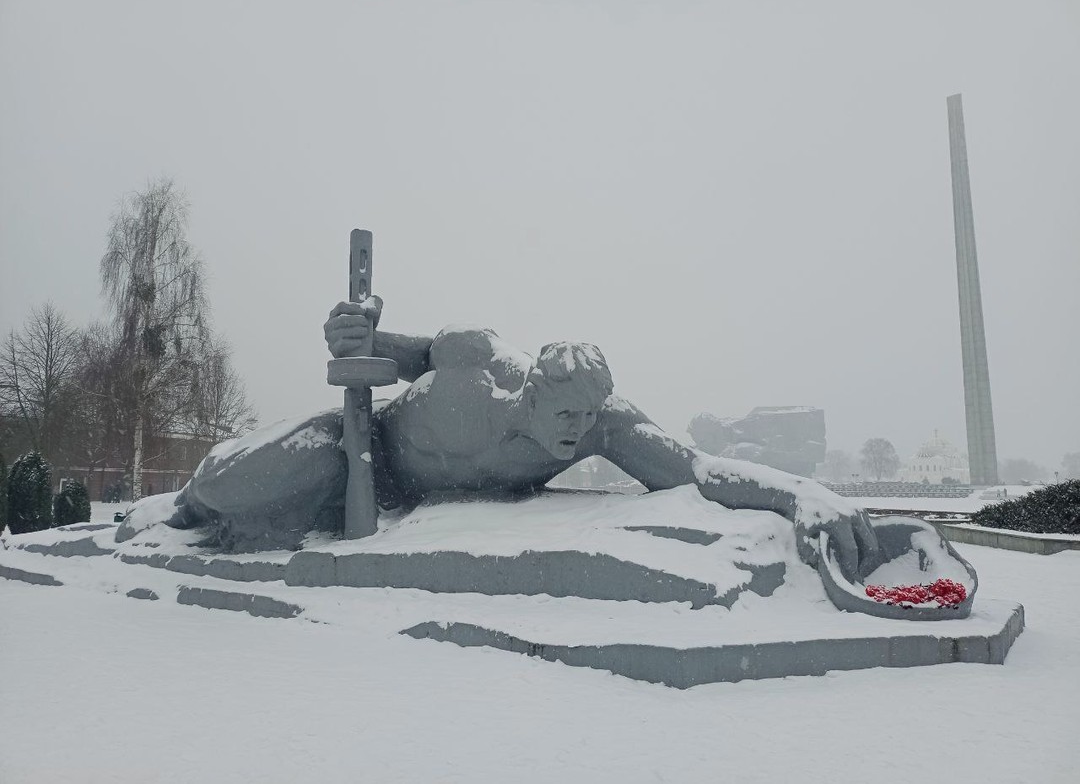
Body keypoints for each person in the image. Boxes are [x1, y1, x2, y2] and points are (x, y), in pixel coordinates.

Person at [125, 297, 882, 579]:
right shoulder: (473, 360)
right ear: (529, 391)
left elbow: (699, 469)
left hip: (390, 508)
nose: (575, 437)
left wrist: (799, 494)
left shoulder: (602, 424)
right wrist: (356, 330)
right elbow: (383, 352)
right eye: (564, 419)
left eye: (587, 423)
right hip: (359, 450)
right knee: (226, 492)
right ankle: (178, 508)